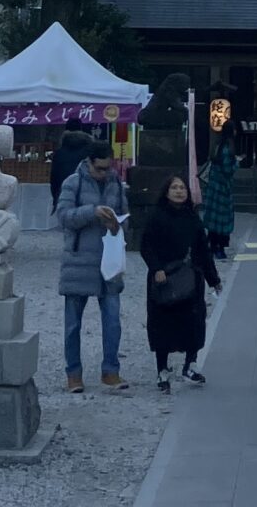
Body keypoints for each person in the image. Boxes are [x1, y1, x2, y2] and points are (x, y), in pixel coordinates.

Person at [55, 143, 131, 392]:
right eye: (99, 169)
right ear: (89, 162)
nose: (103, 173)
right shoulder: (72, 183)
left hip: (109, 261)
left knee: (112, 321)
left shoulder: (116, 183)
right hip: (78, 260)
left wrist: (117, 226)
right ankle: (73, 374)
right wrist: (92, 212)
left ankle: (111, 370)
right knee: (73, 324)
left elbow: (126, 217)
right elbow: (63, 216)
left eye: (107, 168)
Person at [141, 172, 221, 393]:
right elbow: (146, 245)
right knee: (163, 323)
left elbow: (203, 250)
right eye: (174, 187)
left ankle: (190, 364)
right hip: (163, 277)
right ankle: (162, 369)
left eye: (182, 188)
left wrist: (213, 278)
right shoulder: (156, 216)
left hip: (190, 277)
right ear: (167, 191)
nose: (179, 191)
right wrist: (156, 268)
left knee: (194, 323)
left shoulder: (193, 217)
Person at [199, 134, 237, 259]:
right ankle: (219, 247)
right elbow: (228, 170)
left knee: (213, 218)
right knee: (222, 219)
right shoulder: (227, 150)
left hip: (213, 187)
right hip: (223, 188)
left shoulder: (217, 147)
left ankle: (212, 245)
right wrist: (236, 163)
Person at [49, 120, 98, 202]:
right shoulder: (92, 150)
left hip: (64, 196)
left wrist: (56, 198)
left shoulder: (59, 153)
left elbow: (54, 180)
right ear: (81, 130)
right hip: (88, 197)